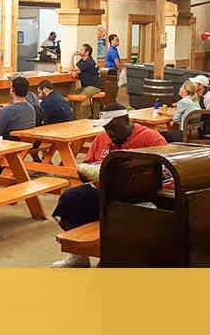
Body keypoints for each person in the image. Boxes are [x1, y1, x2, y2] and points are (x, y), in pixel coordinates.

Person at [50, 104, 167, 268]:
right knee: (70, 198)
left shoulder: (152, 139)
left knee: (138, 214)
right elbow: (87, 165)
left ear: (126, 120)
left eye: (113, 128)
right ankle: (78, 256)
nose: (109, 133)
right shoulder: (102, 138)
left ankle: (117, 259)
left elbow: (165, 175)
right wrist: (87, 171)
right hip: (103, 191)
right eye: (106, 129)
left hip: (135, 196)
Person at [71, 44, 102, 113]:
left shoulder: (88, 61)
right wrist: (72, 57)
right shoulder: (82, 61)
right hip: (86, 86)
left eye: (82, 50)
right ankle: (74, 116)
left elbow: (73, 70)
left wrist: (73, 56)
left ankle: (79, 118)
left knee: (78, 98)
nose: (79, 51)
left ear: (87, 52)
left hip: (94, 87)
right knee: (73, 93)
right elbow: (74, 70)